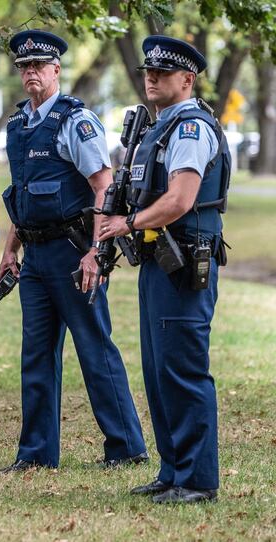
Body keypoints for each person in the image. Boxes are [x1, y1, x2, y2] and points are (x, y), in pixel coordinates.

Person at [0, 30, 147, 471]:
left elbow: (104, 187)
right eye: (24, 67)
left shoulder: (75, 122)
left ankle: (127, 447)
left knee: (94, 348)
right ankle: (37, 455)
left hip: (72, 251)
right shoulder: (19, 126)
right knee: (36, 356)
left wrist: (95, 253)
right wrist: (10, 251)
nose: (30, 74)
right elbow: (20, 196)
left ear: (56, 69)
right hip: (36, 256)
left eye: (38, 66)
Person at [99, 36, 230, 504]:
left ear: (187, 80)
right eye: (147, 72)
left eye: (162, 73)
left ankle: (197, 481)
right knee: (158, 370)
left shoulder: (190, 128)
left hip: (184, 262)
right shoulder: (160, 127)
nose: (150, 77)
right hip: (159, 260)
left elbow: (180, 200)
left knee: (183, 370)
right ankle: (173, 470)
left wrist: (127, 223)